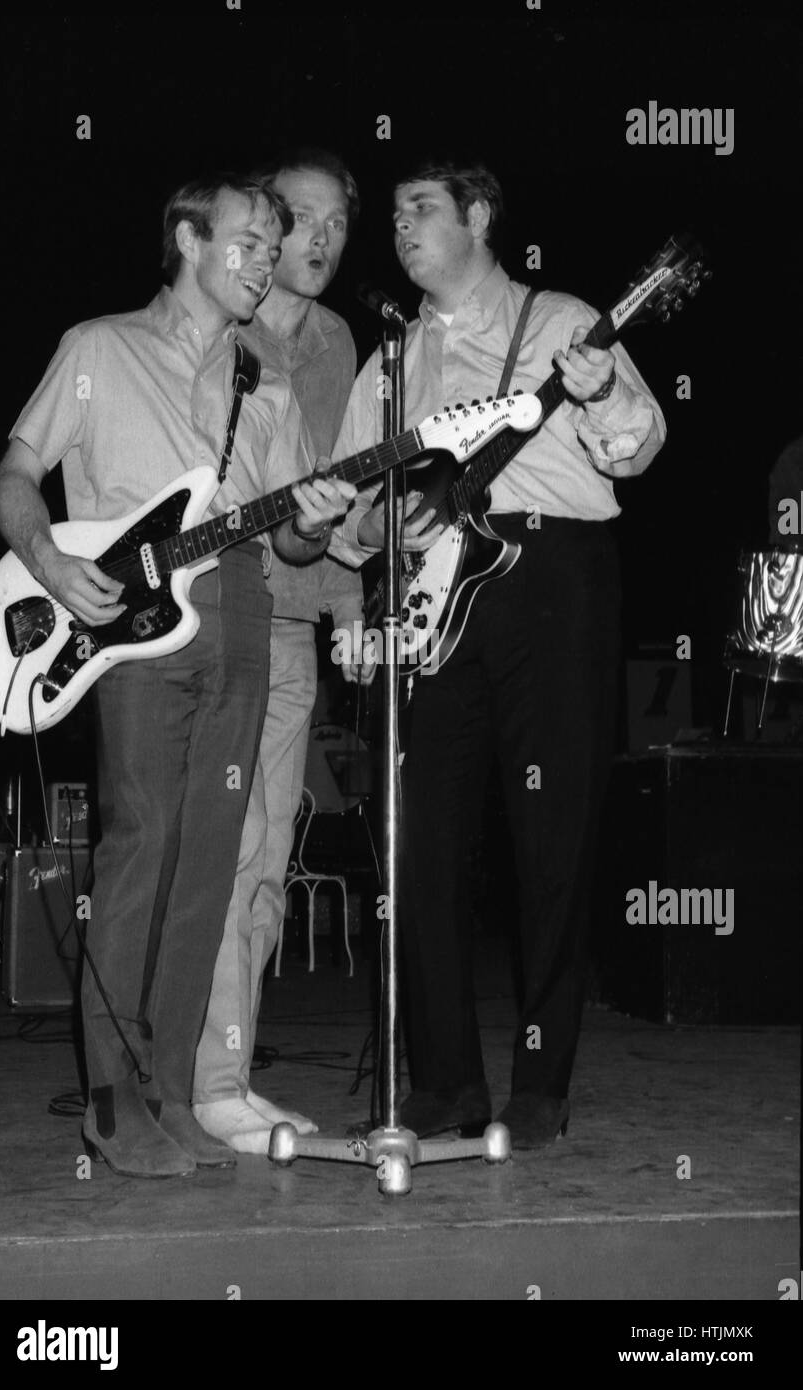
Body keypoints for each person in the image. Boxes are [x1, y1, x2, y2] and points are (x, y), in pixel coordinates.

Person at [0, 173, 355, 1178]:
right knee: (143, 843)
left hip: (240, 607)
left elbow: (287, 543)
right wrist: (53, 564)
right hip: (136, 622)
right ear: (189, 240)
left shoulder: (266, 379)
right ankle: (111, 1098)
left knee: (209, 856)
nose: (266, 261)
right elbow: (16, 473)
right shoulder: (98, 348)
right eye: (248, 241)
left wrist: (316, 516)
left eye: (273, 246)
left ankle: (167, 1090)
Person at [330, 160, 666, 1148]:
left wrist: (600, 395)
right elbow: (348, 511)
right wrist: (365, 520)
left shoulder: (564, 320)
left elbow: (638, 446)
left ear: (479, 217)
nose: (399, 226)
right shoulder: (389, 361)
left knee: (551, 832)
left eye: (420, 208)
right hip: (432, 590)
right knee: (419, 832)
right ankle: (441, 1085)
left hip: (552, 577)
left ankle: (539, 1082)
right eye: (391, 215)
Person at [193, 149, 375, 1154]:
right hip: (211, 618)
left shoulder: (343, 338)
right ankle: (200, 1077)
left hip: (294, 620)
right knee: (214, 858)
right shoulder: (226, 318)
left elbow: (335, 492)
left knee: (266, 862)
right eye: (296, 219)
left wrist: (348, 603)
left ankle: (229, 1072)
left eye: (335, 224)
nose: (315, 240)